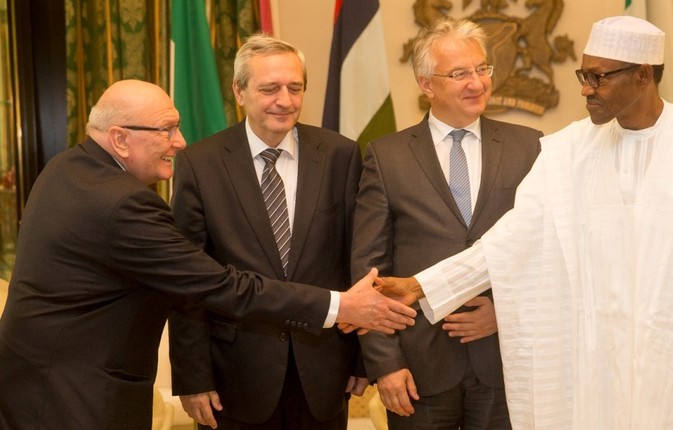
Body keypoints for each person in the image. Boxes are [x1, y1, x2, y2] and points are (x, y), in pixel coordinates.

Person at [375, 16, 673, 430]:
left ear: (643, 75)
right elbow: (509, 240)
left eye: (598, 77)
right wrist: (420, 286)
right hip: (599, 378)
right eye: (583, 75)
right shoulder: (570, 151)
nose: (585, 89)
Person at [0, 79, 416, 430]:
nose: (179, 143)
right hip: (75, 396)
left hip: (36, 382)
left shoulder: (67, 168)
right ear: (120, 139)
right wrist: (341, 304)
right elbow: (219, 285)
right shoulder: (124, 204)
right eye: (166, 130)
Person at [351, 18, 542, 430]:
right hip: (419, 370)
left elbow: (546, 256)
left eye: (481, 69)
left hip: (504, 363)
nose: (476, 82)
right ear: (426, 83)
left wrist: (507, 313)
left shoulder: (530, 147)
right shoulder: (386, 156)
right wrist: (385, 364)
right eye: (459, 73)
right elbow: (369, 272)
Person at [167, 35, 364, 430]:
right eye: (270, 88)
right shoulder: (199, 164)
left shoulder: (341, 155)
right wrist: (192, 378)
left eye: (295, 88)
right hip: (234, 375)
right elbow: (187, 280)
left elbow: (355, 260)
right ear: (239, 91)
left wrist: (363, 358)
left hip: (324, 370)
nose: (285, 100)